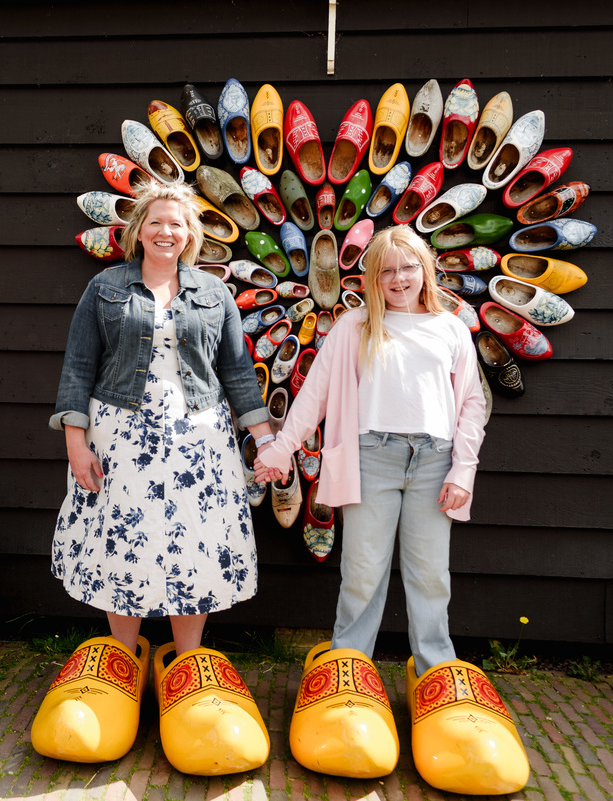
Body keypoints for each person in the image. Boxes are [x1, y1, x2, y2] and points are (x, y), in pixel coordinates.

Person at [33, 181, 275, 772]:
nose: (169, 233)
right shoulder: (106, 288)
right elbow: (79, 365)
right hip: (122, 436)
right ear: (139, 228)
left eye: (179, 225)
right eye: (159, 223)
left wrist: (264, 436)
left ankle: (186, 667)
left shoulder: (214, 293)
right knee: (127, 545)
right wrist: (74, 440)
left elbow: (238, 372)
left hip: (198, 437)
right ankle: (122, 662)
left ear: (191, 235)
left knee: (192, 546)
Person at [255, 223, 485, 669]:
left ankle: (436, 668)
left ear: (425, 270)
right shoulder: (354, 326)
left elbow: (472, 405)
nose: (398, 280)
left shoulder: (450, 328)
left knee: (431, 575)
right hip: (372, 459)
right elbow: (315, 393)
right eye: (386, 271)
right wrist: (283, 448)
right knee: (362, 573)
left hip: (435, 462)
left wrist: (463, 469)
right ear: (373, 278)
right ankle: (349, 665)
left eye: (408, 268)